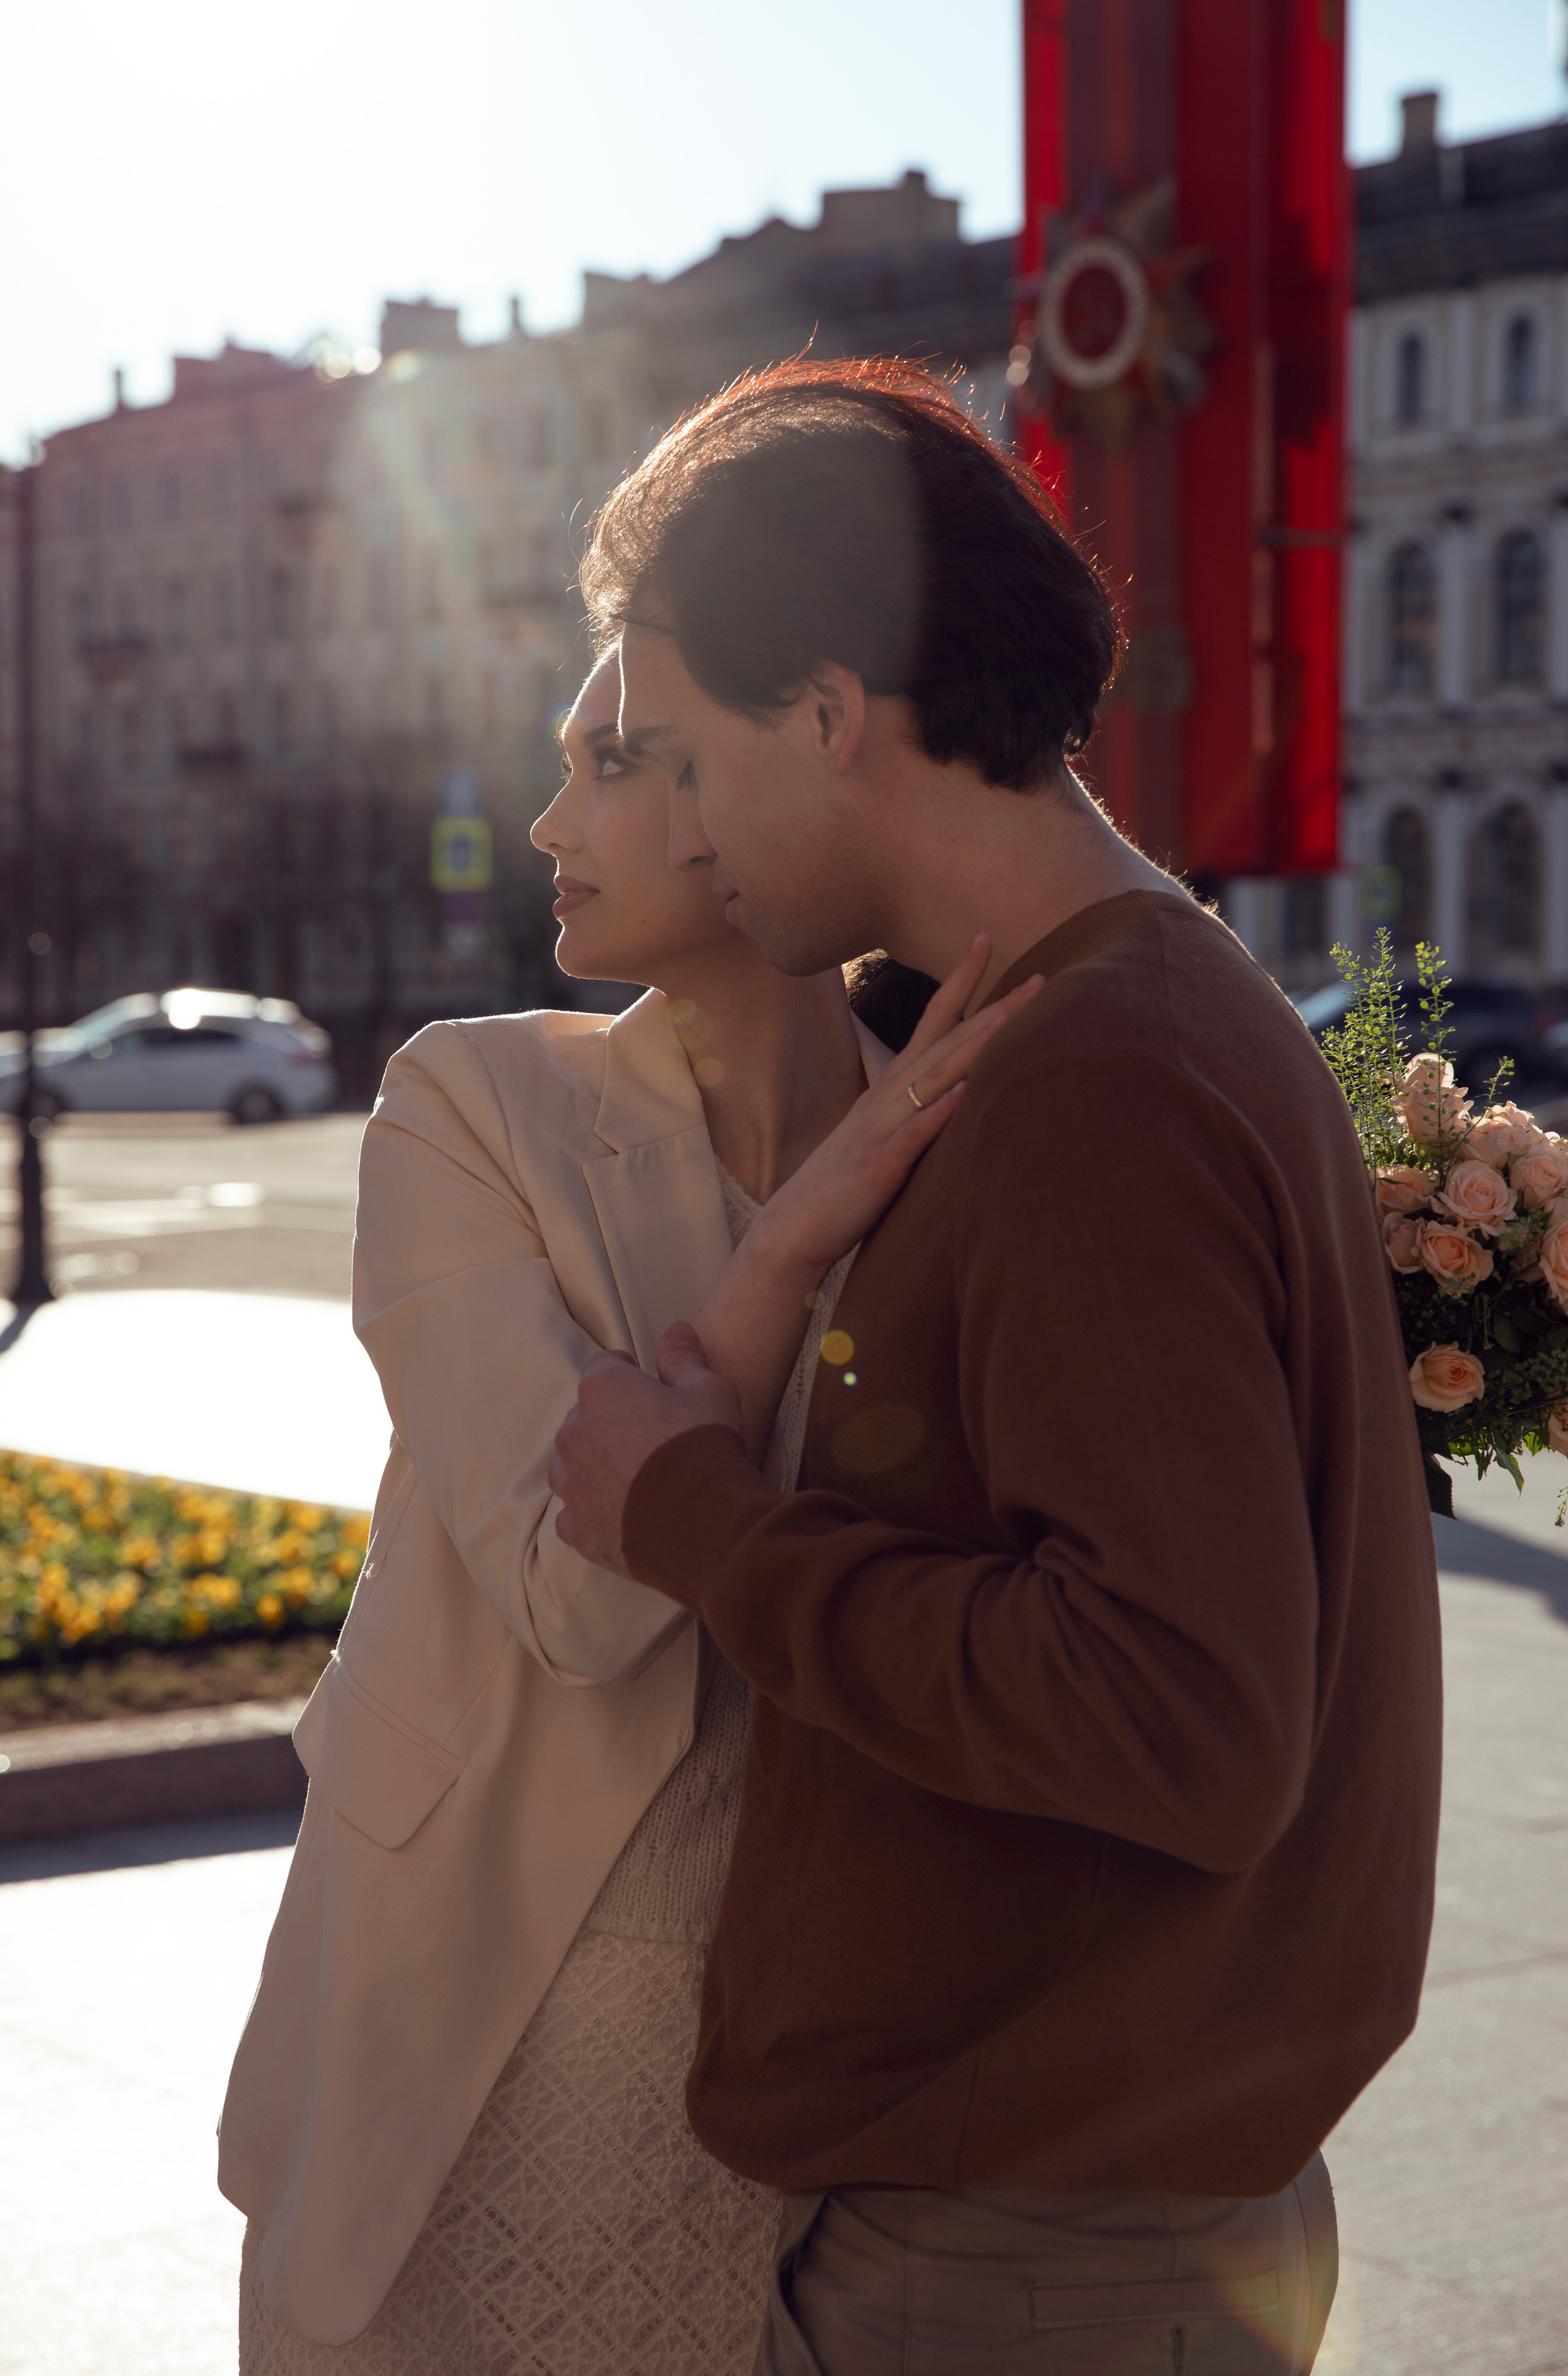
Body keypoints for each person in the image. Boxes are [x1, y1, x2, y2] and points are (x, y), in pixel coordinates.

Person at [548, 357, 1445, 2375]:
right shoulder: (1124, 1005)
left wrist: (700, 1518)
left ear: (830, 714)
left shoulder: (1097, 1074)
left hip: (1036, 2260)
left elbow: (1179, 1715)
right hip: (1079, 2214)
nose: (678, 824)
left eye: (681, 755)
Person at [218, 647, 1038, 2374]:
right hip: (469, 1996)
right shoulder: (468, 1105)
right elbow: (570, 1598)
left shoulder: (962, 1129)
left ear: (764, 783)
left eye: (610, 762)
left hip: (799, 2030)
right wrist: (786, 1249)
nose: (545, 822)